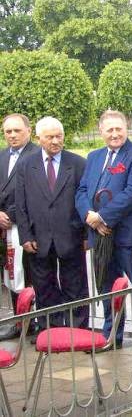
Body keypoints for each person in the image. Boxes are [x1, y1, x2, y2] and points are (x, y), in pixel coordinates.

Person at [75, 110, 132, 354]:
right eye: (109, 130)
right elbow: (81, 191)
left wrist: (103, 216)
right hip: (99, 237)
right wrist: (89, 217)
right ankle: (112, 336)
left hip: (128, 236)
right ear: (101, 131)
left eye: (118, 129)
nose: (115, 134)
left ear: (126, 129)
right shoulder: (93, 157)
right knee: (107, 289)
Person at [15, 117, 89, 328]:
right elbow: (21, 205)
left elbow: (84, 201)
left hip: (71, 237)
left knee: (76, 286)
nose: (56, 141)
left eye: (59, 136)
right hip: (38, 239)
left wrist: (85, 236)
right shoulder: (25, 166)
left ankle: (78, 329)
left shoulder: (77, 164)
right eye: (50, 137)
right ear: (39, 139)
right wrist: (25, 236)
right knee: (44, 287)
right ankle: (51, 329)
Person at [0, 114, 39, 340]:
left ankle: (35, 322)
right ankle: (18, 322)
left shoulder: (36, 155)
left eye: (17, 130)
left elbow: (33, 194)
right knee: (10, 275)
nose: (12, 135)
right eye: (8, 131)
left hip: (26, 227)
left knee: (29, 275)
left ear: (28, 131)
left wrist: (10, 215)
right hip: (3, 230)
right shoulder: (2, 156)